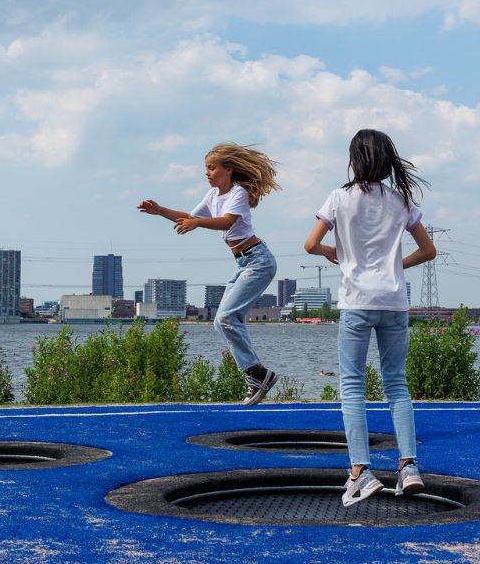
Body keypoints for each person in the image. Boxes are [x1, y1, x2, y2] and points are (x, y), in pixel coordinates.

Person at [304, 129, 437, 506]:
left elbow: (310, 245)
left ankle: (360, 472)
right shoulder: (401, 199)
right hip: (394, 302)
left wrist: (335, 253)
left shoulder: (339, 197)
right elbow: (428, 250)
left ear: (355, 160)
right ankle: (408, 468)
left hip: (357, 302)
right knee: (397, 384)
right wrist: (396, 264)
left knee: (352, 386)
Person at [138, 142, 281, 406]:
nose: (207, 173)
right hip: (243, 263)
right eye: (206, 168)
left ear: (228, 169)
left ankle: (257, 374)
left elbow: (227, 221)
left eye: (211, 168)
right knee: (221, 321)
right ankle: (259, 374)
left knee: (227, 316)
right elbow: (189, 216)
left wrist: (197, 223)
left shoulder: (237, 193)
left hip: (258, 260)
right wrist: (160, 212)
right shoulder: (212, 195)